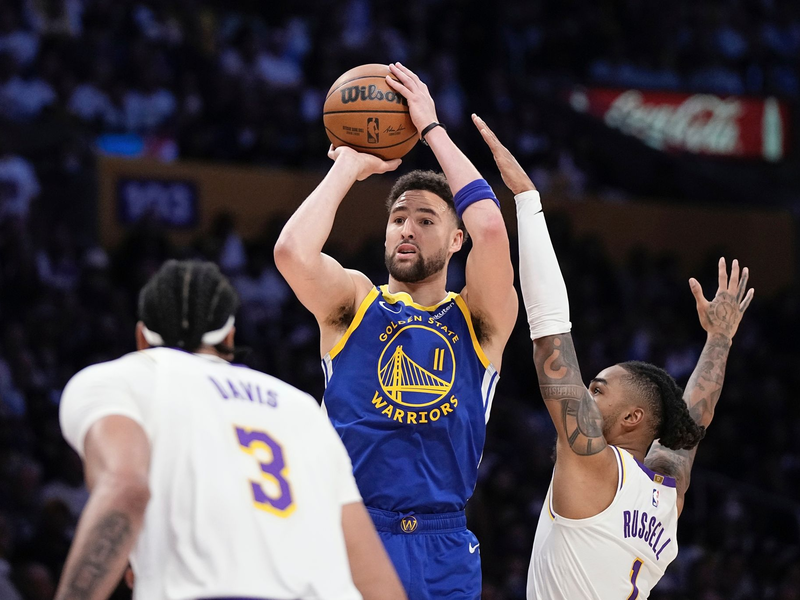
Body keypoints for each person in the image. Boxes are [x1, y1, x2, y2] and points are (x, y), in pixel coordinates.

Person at [474, 116, 754, 600]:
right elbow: (695, 418)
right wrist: (720, 339)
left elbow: (550, 340)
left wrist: (528, 203)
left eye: (598, 388)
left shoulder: (596, 468)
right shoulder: (667, 491)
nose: (585, 390)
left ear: (631, 417)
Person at [274, 63, 518, 598]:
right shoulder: (354, 302)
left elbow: (493, 228)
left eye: (427, 220)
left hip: (444, 545)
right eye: (398, 218)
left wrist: (431, 128)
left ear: (457, 240)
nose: (407, 227)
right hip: (350, 530)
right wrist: (350, 166)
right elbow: (292, 252)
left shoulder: (480, 319)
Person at [56, 260, 405, 600]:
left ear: (141, 338)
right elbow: (377, 583)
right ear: (230, 335)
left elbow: (125, 488)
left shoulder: (118, 379)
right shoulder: (300, 407)